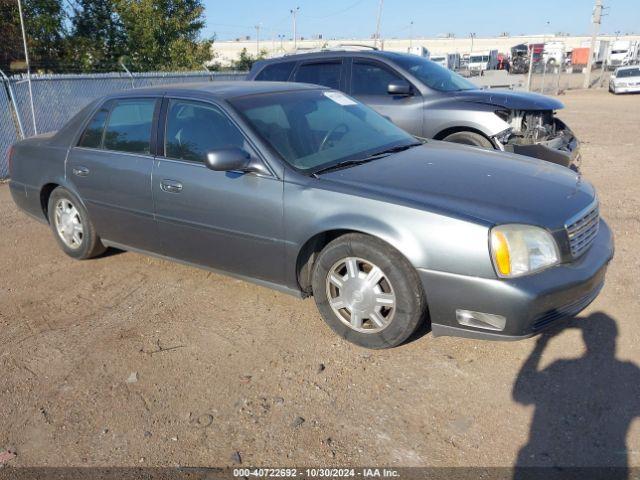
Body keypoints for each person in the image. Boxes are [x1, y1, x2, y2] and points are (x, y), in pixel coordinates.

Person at [513, 313, 640, 480]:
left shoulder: (561, 367)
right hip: (609, 462)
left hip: (549, 457)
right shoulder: (629, 372)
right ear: (615, 339)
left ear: (585, 338)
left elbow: (520, 395)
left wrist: (542, 343)